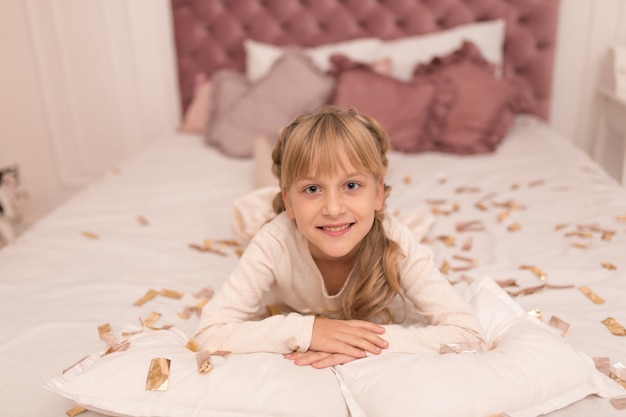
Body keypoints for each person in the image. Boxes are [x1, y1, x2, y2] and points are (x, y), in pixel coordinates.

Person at [193, 106, 485, 369]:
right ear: (290, 202)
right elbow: (208, 334)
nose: (333, 208)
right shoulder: (274, 241)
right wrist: (310, 331)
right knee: (262, 184)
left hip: (332, 218)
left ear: (378, 193)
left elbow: (468, 334)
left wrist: (364, 347)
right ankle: (261, 149)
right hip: (275, 216)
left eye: (351, 185)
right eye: (312, 189)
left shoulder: (396, 241)